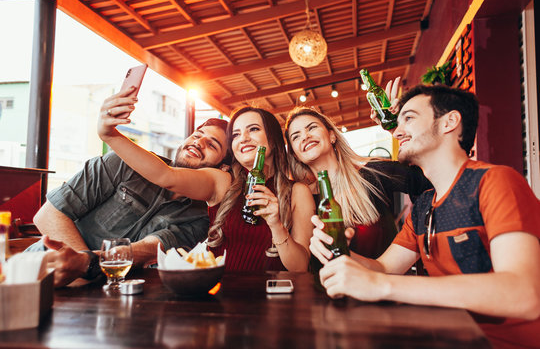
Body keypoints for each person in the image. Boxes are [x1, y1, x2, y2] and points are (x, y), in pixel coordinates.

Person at [312, 84, 540, 348]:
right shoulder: (423, 206)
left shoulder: (495, 182)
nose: (396, 132)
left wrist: (381, 285)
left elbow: (525, 294)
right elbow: (385, 268)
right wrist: (338, 250)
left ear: (449, 122)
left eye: (408, 118)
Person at [98, 86, 314, 272]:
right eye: (236, 135)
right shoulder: (223, 182)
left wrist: (276, 224)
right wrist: (111, 135)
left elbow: (299, 266)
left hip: (273, 300)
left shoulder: (297, 192)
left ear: (275, 142)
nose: (243, 138)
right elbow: (166, 175)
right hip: (217, 295)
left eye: (254, 130)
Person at [31, 92, 231, 286]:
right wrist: (84, 271)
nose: (199, 142)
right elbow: (48, 215)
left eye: (212, 145)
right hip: (42, 269)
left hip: (107, 293)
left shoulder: (199, 217)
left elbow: (151, 249)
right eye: (197, 134)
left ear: (222, 169)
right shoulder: (124, 162)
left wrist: (86, 267)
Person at [284, 101, 431, 259]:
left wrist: (399, 131)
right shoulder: (302, 198)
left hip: (385, 280)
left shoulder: (373, 173)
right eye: (296, 136)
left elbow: (429, 180)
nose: (305, 136)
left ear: (332, 135)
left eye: (312, 127)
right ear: (294, 155)